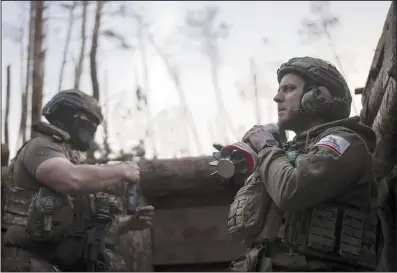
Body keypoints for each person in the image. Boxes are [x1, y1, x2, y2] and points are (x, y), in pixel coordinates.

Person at [221, 57, 378, 271]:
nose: (277, 98)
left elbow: (291, 190)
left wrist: (266, 146)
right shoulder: (285, 152)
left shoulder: (347, 142)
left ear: (319, 97)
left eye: (288, 89)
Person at [1, 89, 154, 272]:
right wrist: (121, 170)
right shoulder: (41, 146)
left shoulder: (74, 161)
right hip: (27, 259)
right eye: (87, 119)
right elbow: (71, 179)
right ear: (66, 115)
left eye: (95, 123)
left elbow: (82, 225)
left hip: (58, 260)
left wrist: (127, 223)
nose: (92, 127)